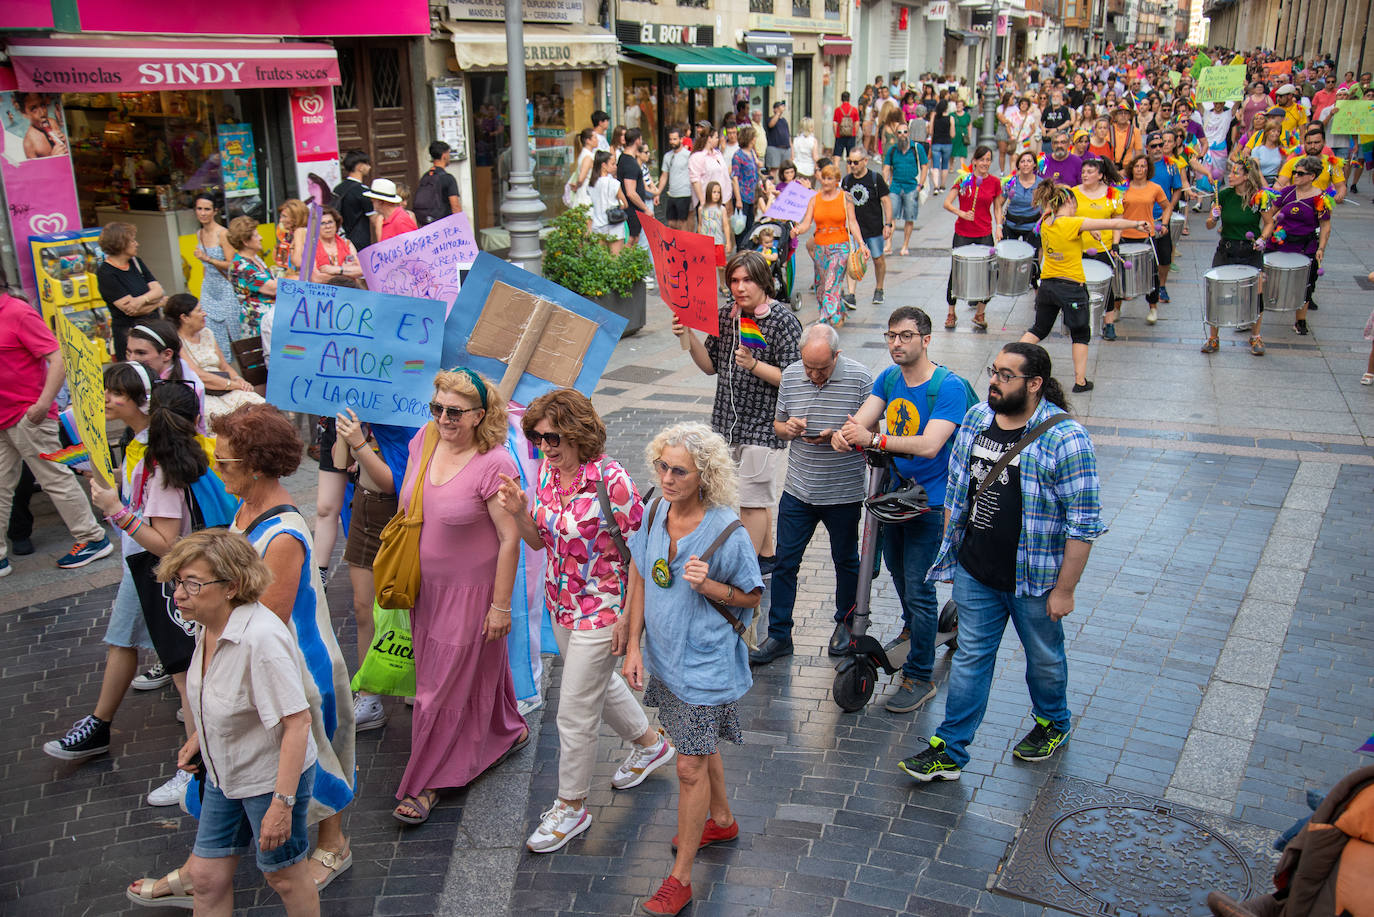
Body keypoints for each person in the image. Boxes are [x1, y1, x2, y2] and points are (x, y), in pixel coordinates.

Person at [899, 342, 1105, 783]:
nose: (994, 381)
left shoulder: (1066, 439)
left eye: (1006, 375)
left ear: (1034, 384)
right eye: (994, 371)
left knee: (1043, 657)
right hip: (976, 571)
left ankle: (1053, 721)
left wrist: (1065, 590)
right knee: (972, 657)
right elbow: (958, 490)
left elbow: (1083, 524)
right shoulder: (976, 420)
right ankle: (950, 750)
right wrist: (953, 555)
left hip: (1035, 579)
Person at [492, 389, 671, 853]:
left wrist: (630, 625)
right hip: (562, 604)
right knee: (595, 685)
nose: (544, 446)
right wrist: (518, 513)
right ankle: (651, 745)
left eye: (552, 436)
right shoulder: (549, 474)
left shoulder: (611, 480)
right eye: (536, 438)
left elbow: (642, 555)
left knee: (573, 713)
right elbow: (538, 542)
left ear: (576, 430)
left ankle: (571, 807)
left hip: (604, 607)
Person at [622, 423, 763, 917]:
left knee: (688, 765)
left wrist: (711, 589)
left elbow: (751, 596)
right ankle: (720, 819)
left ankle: (680, 880)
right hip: (664, 657)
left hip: (705, 665)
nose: (666, 477)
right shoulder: (656, 508)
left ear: (702, 475)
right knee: (694, 745)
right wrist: (632, 643)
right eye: (662, 465)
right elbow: (640, 569)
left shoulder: (727, 530)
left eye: (678, 470)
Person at [153, 530, 319, 916]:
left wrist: (282, 805)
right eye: (179, 582)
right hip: (223, 777)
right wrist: (200, 737)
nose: (179, 594)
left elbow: (298, 723)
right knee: (207, 880)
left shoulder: (261, 640)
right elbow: (222, 694)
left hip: (269, 782)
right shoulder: (208, 623)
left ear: (231, 587)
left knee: (285, 877)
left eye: (192, 584)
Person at [391, 370, 528, 826]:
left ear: (479, 416)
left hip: (471, 594)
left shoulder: (495, 464)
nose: (443, 418)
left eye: (454, 411)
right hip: (424, 589)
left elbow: (511, 540)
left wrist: (500, 606)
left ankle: (425, 782)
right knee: (458, 673)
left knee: (436, 690)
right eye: (437, 408)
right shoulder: (423, 441)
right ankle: (506, 729)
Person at [834, 307, 972, 711]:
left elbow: (930, 444)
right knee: (897, 571)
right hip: (894, 498)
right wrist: (848, 437)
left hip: (932, 502)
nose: (897, 343)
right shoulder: (889, 378)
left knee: (919, 587)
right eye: (892, 335)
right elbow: (861, 421)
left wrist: (871, 439)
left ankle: (920, 675)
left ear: (926, 340)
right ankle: (916, 630)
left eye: (906, 336)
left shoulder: (949, 388)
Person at [674, 251, 803, 574]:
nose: (740, 287)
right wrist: (687, 336)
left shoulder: (782, 321)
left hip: (764, 424)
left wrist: (756, 366)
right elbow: (709, 366)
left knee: (752, 500)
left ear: (763, 282)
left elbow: (793, 378)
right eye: (734, 280)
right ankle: (768, 554)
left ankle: (746, 568)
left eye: (747, 280)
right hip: (727, 423)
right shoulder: (725, 317)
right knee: (745, 495)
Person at [750, 324, 872, 666]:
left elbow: (875, 432)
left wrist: (845, 435)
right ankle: (778, 635)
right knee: (785, 563)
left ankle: (845, 624)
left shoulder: (862, 379)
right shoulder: (790, 376)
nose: (814, 375)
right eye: (809, 368)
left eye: (822, 369)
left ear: (837, 356)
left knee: (846, 562)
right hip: (799, 489)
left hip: (843, 492)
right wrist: (786, 429)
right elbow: (778, 423)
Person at [0, 293, 110, 575]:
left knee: (54, 479)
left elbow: (59, 355)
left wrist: (43, 403)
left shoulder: (17, 312)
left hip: (28, 416)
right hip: (6, 417)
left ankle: (92, 538)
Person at [331, 407, 414, 732]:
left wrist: (360, 443)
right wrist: (346, 433)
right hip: (365, 510)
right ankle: (369, 694)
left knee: (405, 604)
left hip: (397, 513)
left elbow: (395, 481)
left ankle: (411, 681)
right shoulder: (361, 414)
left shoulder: (403, 416)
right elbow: (339, 464)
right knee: (363, 607)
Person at [1022, 180, 1150, 392]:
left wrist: (1087, 232)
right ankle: (1080, 381)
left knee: (1038, 329)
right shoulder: (1072, 223)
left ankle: (1011, 357)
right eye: (1074, 203)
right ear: (1069, 202)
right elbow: (1112, 224)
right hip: (1071, 287)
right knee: (1080, 333)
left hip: (1048, 285)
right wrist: (1136, 224)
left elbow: (1056, 212)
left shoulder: (1046, 221)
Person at [1201, 157, 1271, 356]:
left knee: (1257, 294)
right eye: (1230, 172)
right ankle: (1213, 337)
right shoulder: (1223, 195)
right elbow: (1209, 225)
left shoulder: (1259, 198)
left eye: (1235, 173)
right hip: (1227, 248)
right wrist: (1213, 217)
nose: (1230, 176)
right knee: (1216, 293)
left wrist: (1263, 238)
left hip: (1250, 250)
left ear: (1247, 176)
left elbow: (1268, 222)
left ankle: (1256, 336)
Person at [163, 293, 264, 418]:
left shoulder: (207, 333)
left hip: (224, 385)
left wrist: (239, 380)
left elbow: (224, 366)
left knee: (259, 406)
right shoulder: (175, 341)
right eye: (199, 311)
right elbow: (197, 375)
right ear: (185, 317)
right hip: (199, 390)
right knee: (220, 418)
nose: (204, 314)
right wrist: (232, 384)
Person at [1263, 154, 1331, 338]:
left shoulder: (1321, 199)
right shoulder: (1287, 192)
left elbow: (1325, 226)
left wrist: (1321, 249)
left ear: (1312, 176)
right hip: (1279, 241)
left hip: (1304, 245)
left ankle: (1300, 321)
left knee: (1306, 284)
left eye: (1301, 173)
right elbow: (1269, 213)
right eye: (1295, 172)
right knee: (1263, 277)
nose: (1296, 176)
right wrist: (1267, 230)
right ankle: (1255, 315)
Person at [790, 163, 865, 326]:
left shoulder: (845, 197)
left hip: (840, 246)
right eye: (823, 178)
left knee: (832, 282)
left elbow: (852, 222)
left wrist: (861, 244)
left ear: (837, 180)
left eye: (830, 178)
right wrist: (797, 230)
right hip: (820, 248)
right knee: (822, 285)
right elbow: (807, 223)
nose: (825, 181)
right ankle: (838, 313)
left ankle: (825, 318)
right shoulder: (814, 199)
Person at [943, 146, 1003, 331]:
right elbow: (947, 203)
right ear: (974, 161)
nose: (985, 163)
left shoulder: (994, 182)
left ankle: (980, 312)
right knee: (956, 272)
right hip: (963, 233)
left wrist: (999, 226)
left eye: (988, 160)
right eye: (982, 159)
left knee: (990, 274)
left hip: (984, 232)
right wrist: (961, 213)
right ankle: (951, 312)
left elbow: (997, 207)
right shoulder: (964, 180)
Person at [1115, 153, 1170, 333]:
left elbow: (1166, 206)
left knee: (1152, 274)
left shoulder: (1155, 188)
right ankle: (1116, 308)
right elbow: (1114, 208)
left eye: (1144, 166)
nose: (1140, 169)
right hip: (1124, 235)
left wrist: (1165, 223)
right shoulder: (1122, 187)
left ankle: (1153, 308)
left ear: (1148, 169)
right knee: (1119, 274)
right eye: (1137, 166)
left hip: (1146, 237)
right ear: (1132, 168)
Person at [97, 222, 166, 361]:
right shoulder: (106, 273)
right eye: (132, 240)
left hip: (153, 330)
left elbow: (158, 290)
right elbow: (131, 309)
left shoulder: (136, 262)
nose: (137, 244)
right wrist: (158, 304)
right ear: (120, 244)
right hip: (130, 338)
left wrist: (141, 300)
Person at [187, 193, 240, 359]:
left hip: (226, 288)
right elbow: (205, 268)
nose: (202, 213)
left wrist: (207, 259)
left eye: (207, 209)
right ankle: (224, 372)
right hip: (209, 288)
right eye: (199, 209)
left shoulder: (223, 234)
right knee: (211, 333)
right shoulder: (199, 233)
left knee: (235, 333)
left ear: (215, 211)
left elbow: (232, 265)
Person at [226, 216, 277, 340]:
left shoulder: (255, 259)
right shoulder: (241, 266)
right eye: (256, 235)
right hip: (258, 324)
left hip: (270, 321)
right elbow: (273, 288)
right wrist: (297, 278)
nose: (261, 238)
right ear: (245, 241)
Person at [884, 123, 929, 257]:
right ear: (896, 135)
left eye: (905, 132)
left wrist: (920, 185)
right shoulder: (892, 150)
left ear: (909, 133)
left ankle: (905, 245)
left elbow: (925, 166)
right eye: (899, 132)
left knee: (909, 217)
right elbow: (886, 167)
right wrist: (885, 183)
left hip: (911, 187)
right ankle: (889, 244)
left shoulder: (917, 148)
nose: (902, 135)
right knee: (891, 216)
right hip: (895, 187)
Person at [1276, 123, 1347, 203]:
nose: (1313, 146)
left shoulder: (1332, 164)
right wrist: (1280, 188)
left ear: (1324, 142)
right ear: (1304, 143)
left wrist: (1339, 195)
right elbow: (1279, 183)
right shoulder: (1293, 162)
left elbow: (1341, 186)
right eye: (1309, 143)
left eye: (1316, 142)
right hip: (1296, 206)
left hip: (1320, 208)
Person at [1002, 151, 1043, 283]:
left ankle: (1032, 279)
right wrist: (998, 223)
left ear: (1034, 165)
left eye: (1029, 161)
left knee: (1033, 259)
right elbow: (998, 204)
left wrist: (1042, 222)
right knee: (1008, 257)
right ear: (1018, 165)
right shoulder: (1011, 182)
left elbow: (1048, 206)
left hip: (1032, 225)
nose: (1026, 164)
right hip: (1011, 223)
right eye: (1023, 161)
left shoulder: (1040, 184)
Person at [588, 150, 629, 255]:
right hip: (614, 225)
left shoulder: (591, 184)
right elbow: (625, 203)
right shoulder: (614, 183)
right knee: (615, 259)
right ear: (604, 165)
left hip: (597, 225)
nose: (615, 166)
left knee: (600, 260)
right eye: (613, 164)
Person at [332, 149, 373, 252]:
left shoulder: (338, 189)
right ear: (359, 167)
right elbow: (375, 219)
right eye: (367, 164)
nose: (369, 167)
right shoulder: (363, 191)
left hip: (341, 239)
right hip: (360, 242)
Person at [414, 140, 462, 225]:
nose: (449, 157)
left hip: (428, 224)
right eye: (448, 154)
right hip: (444, 225)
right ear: (444, 155)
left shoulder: (425, 177)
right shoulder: (448, 178)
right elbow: (455, 207)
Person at [731, 126, 763, 247]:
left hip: (752, 195)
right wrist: (738, 199)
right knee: (741, 227)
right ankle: (741, 250)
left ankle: (747, 250)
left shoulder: (752, 153)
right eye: (754, 137)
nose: (755, 139)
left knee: (750, 226)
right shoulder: (738, 156)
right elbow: (735, 178)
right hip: (743, 195)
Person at [365, 177, 418, 244]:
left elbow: (414, 248)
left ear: (380, 201)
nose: (371, 203)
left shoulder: (401, 220)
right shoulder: (386, 219)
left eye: (373, 201)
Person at [660, 127, 693, 231]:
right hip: (672, 194)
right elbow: (664, 175)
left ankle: (684, 243)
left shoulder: (688, 155)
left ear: (681, 139)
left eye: (675, 139)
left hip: (684, 193)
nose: (672, 142)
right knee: (671, 222)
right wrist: (658, 193)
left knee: (682, 222)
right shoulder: (667, 156)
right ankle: (678, 242)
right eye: (670, 139)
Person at [698, 182, 731, 284]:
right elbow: (700, 224)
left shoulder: (722, 209)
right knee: (706, 266)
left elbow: (725, 225)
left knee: (721, 266)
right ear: (708, 193)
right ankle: (708, 285)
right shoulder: (701, 209)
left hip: (718, 241)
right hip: (705, 242)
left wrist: (728, 241)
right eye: (714, 192)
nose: (716, 194)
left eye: (718, 192)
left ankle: (722, 284)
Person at [274, 199, 308, 279]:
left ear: (296, 218)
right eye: (281, 216)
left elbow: (297, 262)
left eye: (284, 216)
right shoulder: (291, 234)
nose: (281, 220)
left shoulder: (299, 232)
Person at [765, 101, 792, 176]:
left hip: (786, 148)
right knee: (774, 170)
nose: (782, 108)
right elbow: (771, 124)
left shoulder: (784, 121)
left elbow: (788, 136)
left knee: (786, 169)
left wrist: (791, 149)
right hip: (775, 148)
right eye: (779, 107)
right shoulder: (770, 119)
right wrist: (778, 113)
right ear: (775, 109)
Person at [833, 91, 861, 158]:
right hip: (851, 135)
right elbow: (857, 123)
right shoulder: (854, 110)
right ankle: (848, 168)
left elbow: (834, 124)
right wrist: (855, 133)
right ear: (849, 98)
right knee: (850, 157)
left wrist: (836, 134)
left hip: (840, 135)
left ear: (841, 99)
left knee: (837, 155)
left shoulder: (837, 110)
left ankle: (836, 168)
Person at [950, 98, 972, 173]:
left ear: (963, 106)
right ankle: (951, 166)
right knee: (952, 151)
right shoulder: (952, 115)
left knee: (963, 151)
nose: (959, 107)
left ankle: (962, 167)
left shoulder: (966, 115)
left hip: (963, 135)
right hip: (954, 134)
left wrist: (969, 135)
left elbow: (969, 125)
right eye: (957, 105)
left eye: (960, 105)